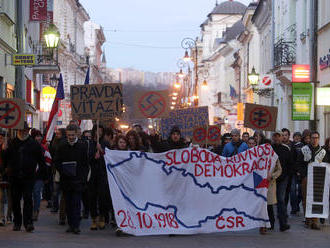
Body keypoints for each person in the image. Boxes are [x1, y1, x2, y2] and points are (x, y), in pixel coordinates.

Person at [4, 122, 47, 232]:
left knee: (28, 199)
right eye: (20, 130)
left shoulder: (34, 144)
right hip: (14, 177)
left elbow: (41, 161)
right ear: (17, 131)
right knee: (15, 200)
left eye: (25, 130)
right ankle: (17, 222)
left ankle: (28, 222)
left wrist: (43, 175)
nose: (23, 132)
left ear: (28, 131)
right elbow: (5, 161)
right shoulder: (12, 143)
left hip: (29, 177)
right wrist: (4, 150)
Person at [54, 124, 89, 234]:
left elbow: (85, 164)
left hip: (78, 180)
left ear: (76, 134)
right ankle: (70, 224)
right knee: (68, 203)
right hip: (66, 180)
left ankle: (76, 225)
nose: (71, 137)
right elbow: (57, 161)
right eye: (69, 135)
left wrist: (82, 178)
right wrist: (63, 171)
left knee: (76, 203)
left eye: (73, 135)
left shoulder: (82, 146)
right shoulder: (62, 145)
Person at [298, 131, 327, 230]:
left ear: (319, 139)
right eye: (313, 138)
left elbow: (326, 165)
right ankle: (308, 218)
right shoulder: (304, 149)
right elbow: (299, 164)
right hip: (306, 178)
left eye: (316, 138)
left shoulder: (323, 151)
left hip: (319, 179)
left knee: (317, 199)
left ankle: (315, 221)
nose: (315, 139)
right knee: (306, 198)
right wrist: (303, 175)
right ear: (309, 139)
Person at [271, 130, 291, 232]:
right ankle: (270, 223)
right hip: (270, 179)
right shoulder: (268, 149)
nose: (276, 138)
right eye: (275, 136)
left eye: (278, 136)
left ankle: (283, 223)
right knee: (269, 201)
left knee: (280, 200)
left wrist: (287, 177)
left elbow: (289, 164)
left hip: (283, 179)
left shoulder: (286, 149)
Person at [31, 129, 50, 221]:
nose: (39, 138)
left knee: (36, 193)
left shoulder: (43, 148)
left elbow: (47, 163)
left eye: (40, 136)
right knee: (29, 194)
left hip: (39, 176)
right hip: (29, 175)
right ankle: (30, 211)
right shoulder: (29, 146)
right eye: (37, 136)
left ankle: (35, 211)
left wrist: (46, 176)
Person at [290, 132, 304, 215]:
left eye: (299, 137)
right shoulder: (291, 146)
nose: (297, 139)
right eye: (295, 137)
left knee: (300, 191)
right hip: (293, 172)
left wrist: (300, 170)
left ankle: (297, 205)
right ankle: (294, 207)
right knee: (292, 190)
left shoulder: (303, 147)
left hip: (301, 172)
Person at [0, 132, 8, 226]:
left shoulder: (6, 149)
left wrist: (4, 150)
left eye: (1, 138)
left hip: (3, 175)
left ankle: (3, 217)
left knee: (2, 198)